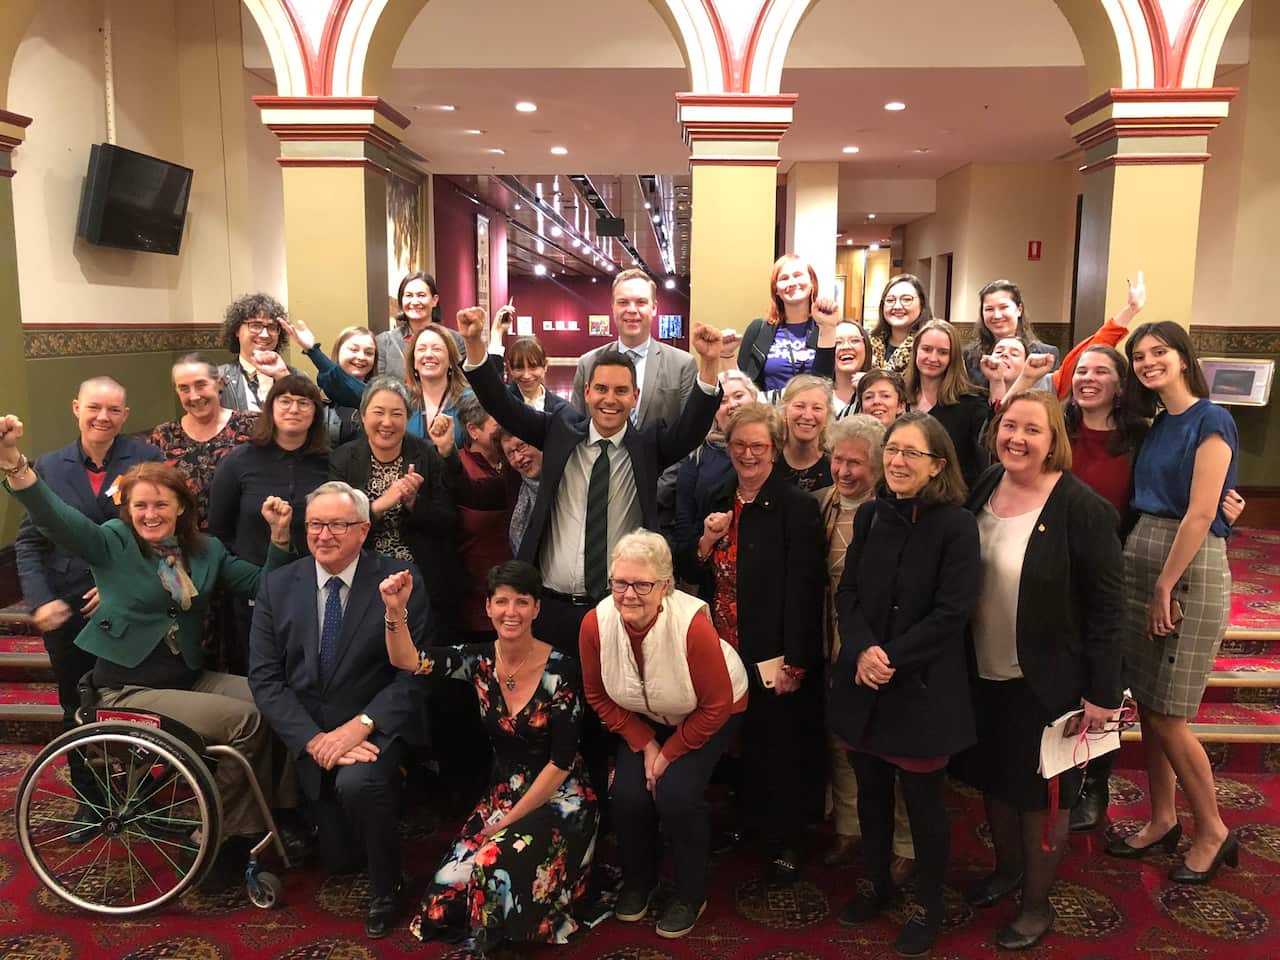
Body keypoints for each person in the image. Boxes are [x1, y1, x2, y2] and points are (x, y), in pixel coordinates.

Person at [1, 422, 295, 863]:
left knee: (279, 700)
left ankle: (280, 816)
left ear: (181, 508)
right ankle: (226, 834)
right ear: (128, 509)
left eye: (161, 504)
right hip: (128, 688)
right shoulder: (112, 543)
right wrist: (14, 464)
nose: (150, 514)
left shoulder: (205, 551)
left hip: (187, 678)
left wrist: (280, 537)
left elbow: (267, 585)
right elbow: (54, 517)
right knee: (247, 721)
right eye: (140, 505)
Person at [955, 391, 1123, 950]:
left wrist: (1103, 693)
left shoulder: (1084, 509)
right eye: (1009, 426)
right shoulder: (984, 486)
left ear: (1055, 440)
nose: (1017, 439)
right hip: (983, 670)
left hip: (1048, 684)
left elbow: (1106, 610)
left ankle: (1036, 904)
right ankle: (1005, 874)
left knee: (1043, 799)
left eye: (1033, 429)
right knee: (996, 783)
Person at [456, 305, 723, 657]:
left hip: (620, 609)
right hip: (552, 607)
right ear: (585, 392)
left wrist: (708, 365)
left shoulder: (647, 447)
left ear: (635, 397)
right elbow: (502, 407)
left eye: (620, 391)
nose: (609, 399)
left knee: (613, 706)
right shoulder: (557, 432)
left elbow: (690, 431)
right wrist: (476, 343)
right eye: (600, 389)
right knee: (555, 705)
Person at [383, 561, 597, 954]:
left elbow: (561, 763)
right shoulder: (478, 660)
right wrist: (395, 611)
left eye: (521, 601)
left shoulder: (562, 670)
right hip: (504, 794)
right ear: (487, 607)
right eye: (501, 601)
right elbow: (407, 660)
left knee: (491, 867)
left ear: (536, 609)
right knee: (442, 903)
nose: (510, 611)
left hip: (560, 797)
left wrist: (501, 827)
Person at [249, 481, 429, 939]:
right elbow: (266, 680)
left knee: (360, 781)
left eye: (337, 524)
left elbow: (415, 671)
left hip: (374, 726)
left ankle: (388, 887)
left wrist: (361, 727)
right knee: (341, 859)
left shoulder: (399, 579)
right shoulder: (277, 585)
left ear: (364, 530)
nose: (323, 534)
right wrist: (313, 740)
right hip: (310, 732)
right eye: (314, 524)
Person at [830, 411, 979, 957]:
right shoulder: (870, 516)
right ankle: (876, 881)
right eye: (892, 449)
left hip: (921, 687)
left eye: (911, 453)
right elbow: (847, 595)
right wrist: (864, 650)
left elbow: (952, 613)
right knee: (870, 794)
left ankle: (928, 904)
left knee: (922, 805)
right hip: (865, 682)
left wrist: (888, 656)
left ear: (937, 465)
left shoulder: (957, 525)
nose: (896, 461)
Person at [1107, 322, 1240, 885]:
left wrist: (1165, 584)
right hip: (1144, 554)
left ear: (1184, 357)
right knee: (1150, 703)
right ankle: (1163, 818)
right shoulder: (1159, 422)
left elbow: (1203, 512)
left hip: (1185, 567)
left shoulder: (1212, 417)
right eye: (1139, 355)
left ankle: (1212, 829)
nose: (1147, 362)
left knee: (1169, 712)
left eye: (1159, 351)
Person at [678, 403, 825, 884]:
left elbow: (805, 589)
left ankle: (786, 841)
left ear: (776, 449)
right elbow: (694, 570)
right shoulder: (719, 496)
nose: (747, 454)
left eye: (758, 446)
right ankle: (748, 823)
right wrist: (704, 542)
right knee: (736, 742)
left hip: (772, 648)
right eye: (739, 445)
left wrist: (797, 661)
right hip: (721, 644)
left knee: (779, 744)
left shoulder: (795, 506)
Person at [580, 532, 747, 939]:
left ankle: (691, 894)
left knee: (675, 793)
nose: (628, 594)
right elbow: (597, 693)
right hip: (645, 713)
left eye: (642, 584)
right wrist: (646, 743)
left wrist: (669, 754)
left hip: (708, 709)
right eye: (620, 582)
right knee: (629, 795)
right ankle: (640, 882)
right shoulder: (595, 624)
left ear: (666, 587)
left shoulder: (692, 627)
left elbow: (716, 704)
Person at [15, 378, 164, 817]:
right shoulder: (47, 466)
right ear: (76, 408)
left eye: (114, 410)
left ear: (126, 416)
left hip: (133, 611)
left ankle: (147, 798)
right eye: (95, 408)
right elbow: (29, 542)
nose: (104, 417)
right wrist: (40, 600)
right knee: (75, 709)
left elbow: (162, 535)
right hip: (70, 609)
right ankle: (90, 801)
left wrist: (123, 583)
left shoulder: (147, 460)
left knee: (140, 706)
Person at [816, 415, 913, 882]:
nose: (845, 471)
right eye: (838, 459)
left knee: (892, 749)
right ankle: (849, 827)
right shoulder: (821, 505)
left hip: (880, 648)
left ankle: (904, 845)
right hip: (831, 646)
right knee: (842, 743)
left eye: (857, 463)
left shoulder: (894, 514)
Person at [208, 375, 330, 672]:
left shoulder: (328, 462)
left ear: (315, 413)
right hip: (253, 588)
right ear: (271, 408)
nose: (294, 409)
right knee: (258, 673)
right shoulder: (238, 461)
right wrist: (245, 575)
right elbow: (218, 532)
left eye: (304, 403)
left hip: (314, 588)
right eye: (285, 401)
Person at [328, 376, 460, 631]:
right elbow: (335, 525)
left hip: (418, 573)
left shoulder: (425, 454)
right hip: (360, 572)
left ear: (407, 419)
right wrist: (379, 505)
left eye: (397, 414)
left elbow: (448, 520)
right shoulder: (343, 458)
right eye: (378, 412)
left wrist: (413, 502)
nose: (387, 422)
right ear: (363, 416)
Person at [572, 269, 699, 526]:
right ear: (612, 308)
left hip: (660, 506)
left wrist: (654, 492)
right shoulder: (588, 363)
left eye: (640, 302)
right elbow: (576, 431)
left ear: (653, 308)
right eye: (623, 302)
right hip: (598, 497)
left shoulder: (683, 364)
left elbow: (689, 439)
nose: (632, 310)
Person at [427, 393, 514, 640]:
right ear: (473, 430)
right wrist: (447, 452)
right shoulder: (455, 467)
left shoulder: (516, 462)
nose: (506, 430)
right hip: (471, 600)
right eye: (497, 425)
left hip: (518, 597)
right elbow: (467, 495)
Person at [150, 355, 257, 529]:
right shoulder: (163, 436)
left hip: (243, 540)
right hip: (186, 543)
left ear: (220, 384)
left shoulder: (252, 426)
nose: (194, 396)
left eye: (201, 385)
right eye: (184, 388)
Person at [671, 370, 759, 557]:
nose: (732, 405)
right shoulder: (698, 454)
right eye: (723, 401)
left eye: (739, 396)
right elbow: (684, 520)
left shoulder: (775, 449)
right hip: (709, 564)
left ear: (754, 399)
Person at [734, 254, 840, 393]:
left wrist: (827, 327)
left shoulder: (826, 328)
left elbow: (829, 381)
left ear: (812, 282)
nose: (792, 282)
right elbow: (743, 383)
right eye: (784, 278)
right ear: (776, 290)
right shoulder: (758, 330)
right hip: (769, 412)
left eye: (798, 275)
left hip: (813, 412)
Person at [905, 320, 990, 486]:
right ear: (915, 351)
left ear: (953, 357)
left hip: (951, 500)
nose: (933, 358)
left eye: (943, 352)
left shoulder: (972, 404)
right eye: (926, 349)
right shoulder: (899, 396)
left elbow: (991, 445)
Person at [279, 317, 379, 445]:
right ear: (338, 352)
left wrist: (313, 352)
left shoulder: (379, 394)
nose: (361, 357)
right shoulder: (318, 394)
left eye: (369, 353)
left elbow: (358, 392)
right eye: (353, 349)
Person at [216, 293, 302, 413]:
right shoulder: (218, 378)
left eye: (272, 327)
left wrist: (285, 378)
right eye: (255, 326)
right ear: (237, 330)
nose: (264, 335)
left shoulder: (297, 377)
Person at [963, 280, 1060, 386]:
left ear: (1019, 309)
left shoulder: (1045, 354)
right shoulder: (968, 356)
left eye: (1003, 307)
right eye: (989, 309)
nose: (997, 315)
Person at [405, 322, 472, 450]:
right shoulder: (402, 401)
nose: (429, 355)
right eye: (421, 349)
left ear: (451, 361)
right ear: (413, 362)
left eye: (436, 349)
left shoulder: (469, 402)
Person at [778, 374, 833, 492]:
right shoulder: (768, 460)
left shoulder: (836, 466)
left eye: (817, 408)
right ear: (784, 411)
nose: (808, 416)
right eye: (799, 406)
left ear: (828, 415)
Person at [868, 275, 932, 374]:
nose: (897, 306)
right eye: (890, 300)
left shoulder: (929, 347)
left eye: (906, 299)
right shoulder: (868, 345)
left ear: (922, 304)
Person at [502, 432, 543, 556]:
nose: (518, 458)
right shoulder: (513, 486)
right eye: (510, 454)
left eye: (522, 446)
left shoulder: (571, 474)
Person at [505, 333, 567, 414]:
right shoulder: (503, 401)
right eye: (519, 368)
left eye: (533, 367)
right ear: (510, 369)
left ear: (545, 366)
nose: (526, 375)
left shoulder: (561, 409)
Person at [831, 320, 873, 418]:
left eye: (854, 341)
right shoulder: (819, 394)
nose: (846, 347)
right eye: (837, 342)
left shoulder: (881, 390)